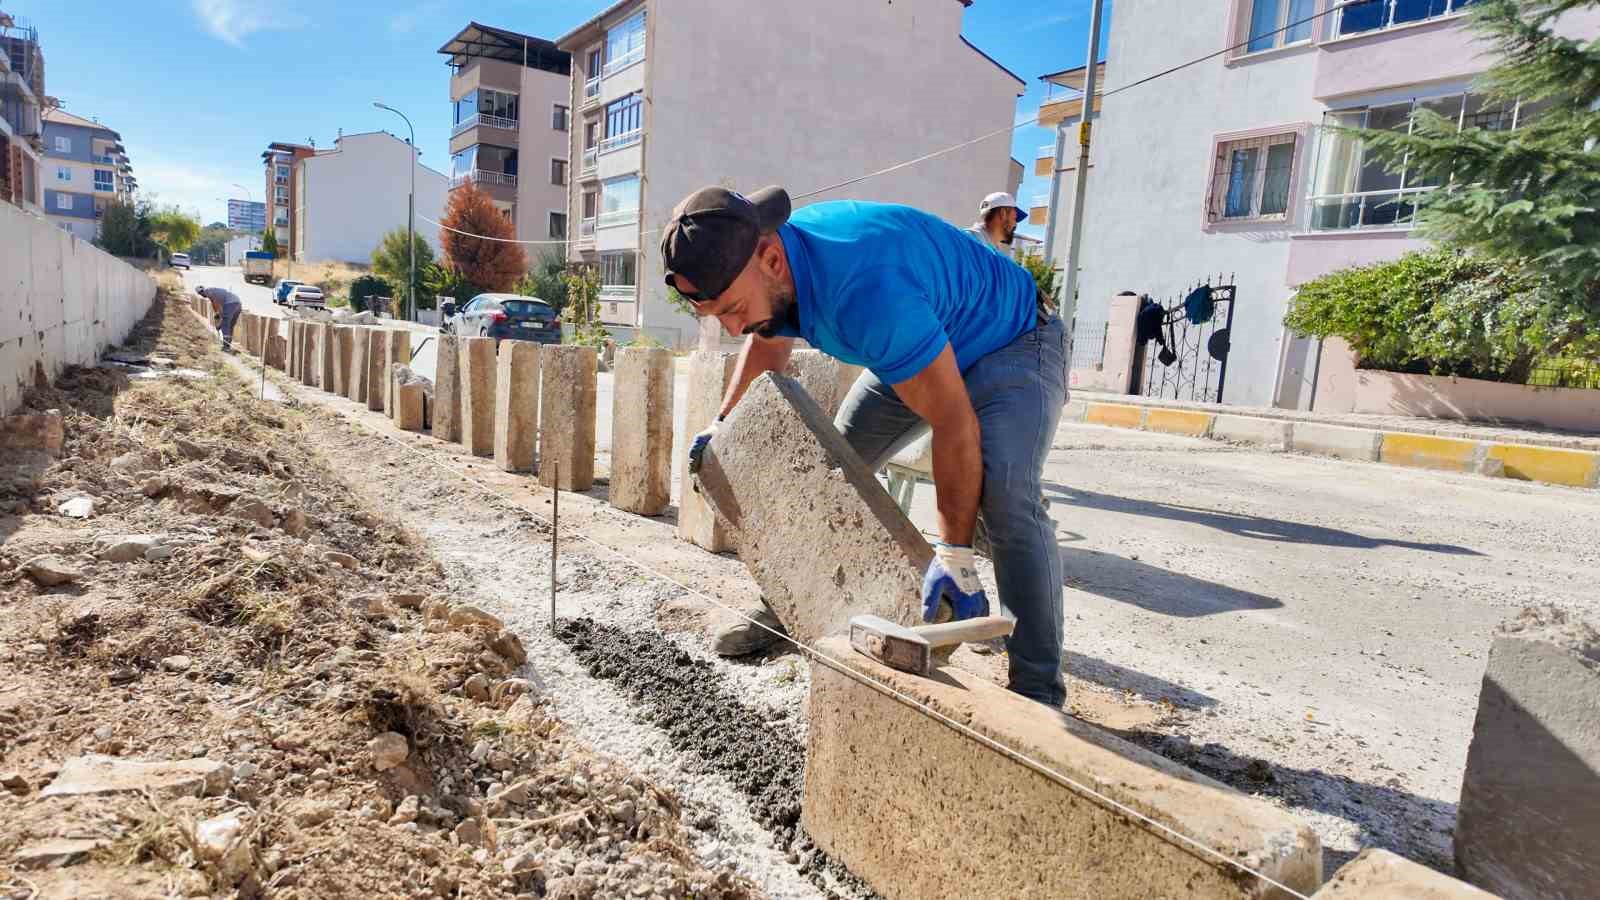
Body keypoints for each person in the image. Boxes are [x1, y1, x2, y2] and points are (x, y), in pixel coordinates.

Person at [666, 186, 1068, 708]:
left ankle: (1037, 690)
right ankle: (785, 602)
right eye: (720, 315)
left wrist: (955, 554)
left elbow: (953, 421)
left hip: (1011, 340)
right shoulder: (770, 265)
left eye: (735, 309)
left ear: (770, 258)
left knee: (1009, 495)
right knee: (832, 468)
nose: (734, 327)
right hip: (922, 337)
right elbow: (766, 335)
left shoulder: (868, 291)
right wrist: (723, 423)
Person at [196, 285, 242, 352]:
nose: (202, 295)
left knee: (225, 325)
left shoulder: (208, 292)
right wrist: (217, 314)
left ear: (201, 292)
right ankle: (228, 345)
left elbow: (216, 304)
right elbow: (215, 306)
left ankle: (226, 347)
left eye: (200, 294)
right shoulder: (213, 291)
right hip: (238, 303)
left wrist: (219, 322)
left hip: (230, 304)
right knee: (230, 326)